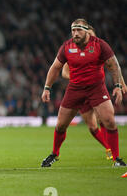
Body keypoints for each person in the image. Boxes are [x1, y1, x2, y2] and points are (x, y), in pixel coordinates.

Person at [41, 19, 125, 167]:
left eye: (78, 30)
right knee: (60, 125)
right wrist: (47, 87)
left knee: (109, 121)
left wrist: (118, 85)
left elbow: (114, 65)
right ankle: (54, 154)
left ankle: (116, 158)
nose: (75, 33)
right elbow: (55, 68)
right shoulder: (67, 47)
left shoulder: (99, 44)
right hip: (75, 89)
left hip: (96, 88)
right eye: (73, 30)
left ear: (86, 31)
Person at [61, 25, 126, 160]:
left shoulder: (98, 49)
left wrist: (121, 84)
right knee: (91, 126)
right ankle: (108, 148)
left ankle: (113, 153)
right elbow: (64, 72)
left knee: (105, 118)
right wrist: (79, 77)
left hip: (96, 89)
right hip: (80, 92)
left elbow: (113, 66)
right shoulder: (74, 52)